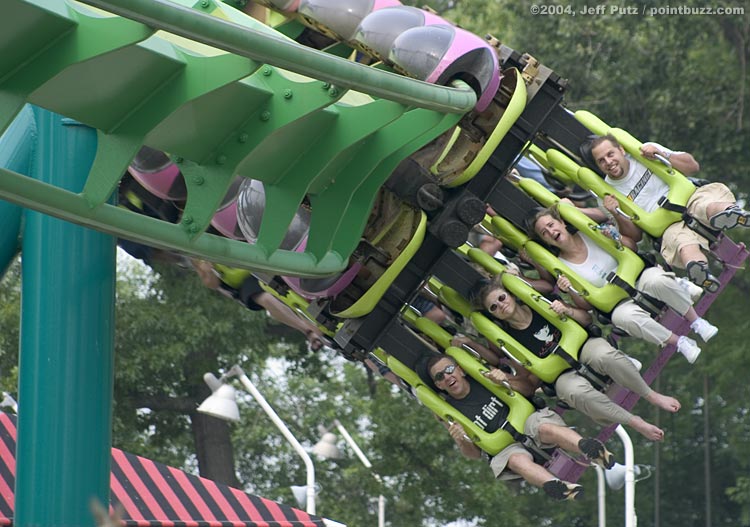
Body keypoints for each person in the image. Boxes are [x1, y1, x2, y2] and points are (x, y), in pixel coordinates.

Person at [469, 276, 679, 441]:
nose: (500, 305)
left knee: (605, 355)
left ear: (511, 295)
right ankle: (634, 422)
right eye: (493, 307)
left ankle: (651, 395)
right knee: (575, 392)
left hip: (581, 347)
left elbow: (587, 318)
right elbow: (529, 383)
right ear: (493, 315)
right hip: (559, 373)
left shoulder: (542, 302)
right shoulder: (508, 341)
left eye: (501, 298)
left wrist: (567, 310)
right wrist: (506, 380)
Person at [529, 204, 718, 364]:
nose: (551, 232)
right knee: (624, 318)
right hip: (616, 302)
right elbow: (586, 305)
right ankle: (680, 342)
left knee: (657, 280)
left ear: (561, 223)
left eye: (551, 225)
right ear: (545, 240)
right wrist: (569, 290)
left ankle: (696, 321)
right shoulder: (561, 266)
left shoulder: (589, 231)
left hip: (637, 277)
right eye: (544, 233)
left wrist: (615, 239)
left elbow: (632, 246)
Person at [426, 355, 614, 501]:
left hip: (526, 422)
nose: (447, 376)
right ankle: (557, 487)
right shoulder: (447, 413)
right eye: (440, 376)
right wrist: (460, 440)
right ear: (439, 385)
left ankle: (591, 449)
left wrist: (505, 381)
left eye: (449, 370)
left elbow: (527, 388)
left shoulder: (483, 375)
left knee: (546, 428)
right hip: (503, 447)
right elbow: (473, 454)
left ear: (460, 370)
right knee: (516, 461)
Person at [582, 134, 750, 292]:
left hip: (688, 199)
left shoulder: (643, 153)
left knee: (705, 205)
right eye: (601, 161)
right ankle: (700, 272)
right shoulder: (606, 194)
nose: (609, 162)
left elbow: (692, 166)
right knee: (681, 243)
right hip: (665, 226)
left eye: (610, 154)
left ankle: (733, 214)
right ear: (598, 166)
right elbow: (635, 236)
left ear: (621, 150)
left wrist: (662, 155)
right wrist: (616, 213)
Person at [192, 259, 328, 352]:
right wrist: (208, 271)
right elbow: (212, 284)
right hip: (245, 283)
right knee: (267, 299)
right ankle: (308, 331)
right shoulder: (194, 255)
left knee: (292, 288)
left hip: (260, 262)